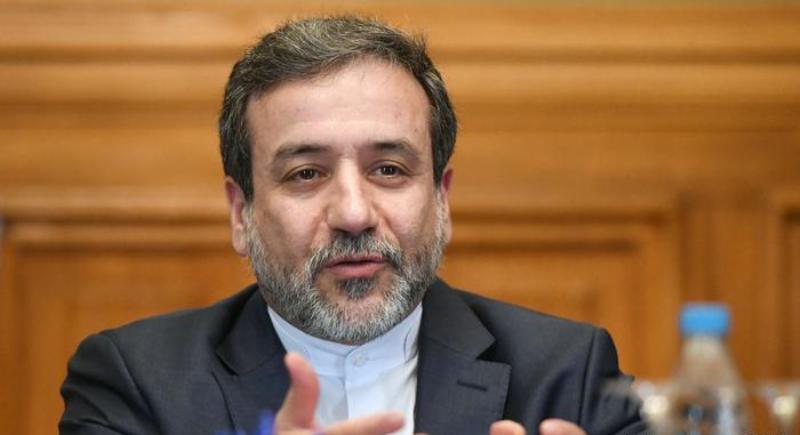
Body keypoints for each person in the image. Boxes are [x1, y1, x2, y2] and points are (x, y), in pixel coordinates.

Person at [60, 16, 645, 435]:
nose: (353, 214)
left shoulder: (568, 372)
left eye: (388, 169)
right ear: (242, 213)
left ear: (441, 199)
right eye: (306, 174)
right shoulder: (136, 382)